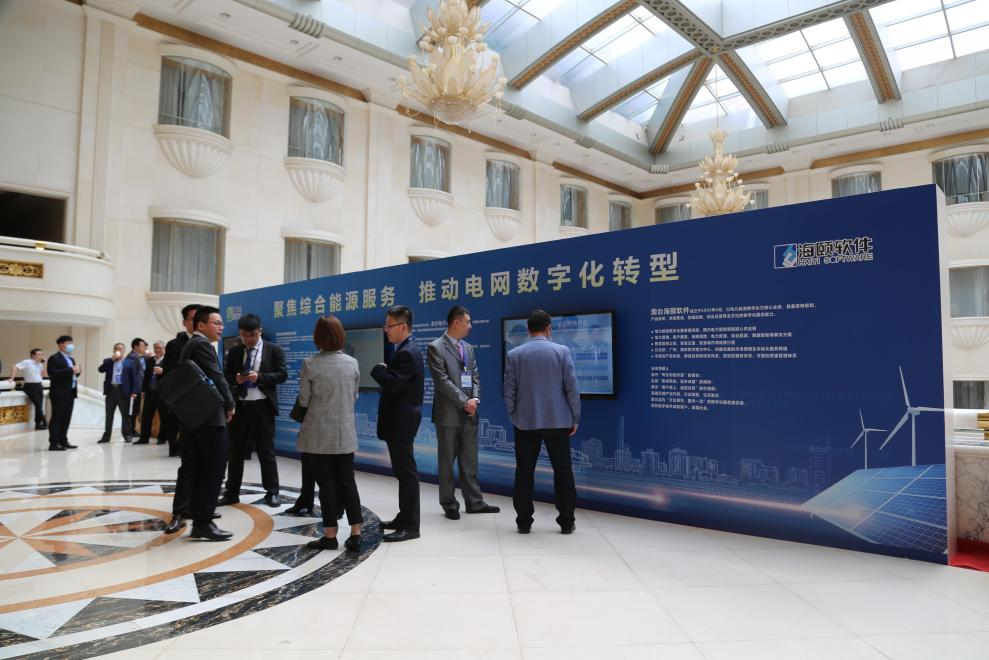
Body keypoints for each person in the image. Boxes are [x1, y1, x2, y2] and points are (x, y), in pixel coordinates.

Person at [503, 309, 581, 535]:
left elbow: (509, 391)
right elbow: (572, 388)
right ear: (549, 329)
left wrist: (514, 416)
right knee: (563, 472)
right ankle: (566, 522)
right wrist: (575, 417)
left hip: (525, 422)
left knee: (524, 472)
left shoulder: (514, 354)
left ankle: (524, 522)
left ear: (528, 329)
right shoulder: (562, 351)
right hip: (558, 421)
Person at [296, 316, 364, 551]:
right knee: (348, 482)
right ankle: (356, 534)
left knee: (326, 485)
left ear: (317, 337)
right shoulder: (352, 363)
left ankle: (330, 535)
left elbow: (304, 400)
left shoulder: (310, 364)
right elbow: (354, 396)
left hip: (318, 434)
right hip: (344, 432)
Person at [426, 305, 499, 519]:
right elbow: (442, 381)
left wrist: (474, 399)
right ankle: (449, 504)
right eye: (467, 321)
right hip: (449, 414)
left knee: (469, 460)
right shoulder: (435, 347)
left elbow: (474, 375)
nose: (470, 326)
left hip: (470, 412)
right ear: (456, 322)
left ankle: (475, 502)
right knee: (447, 462)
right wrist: (464, 402)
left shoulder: (468, 348)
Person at [175, 306, 236, 541]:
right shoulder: (202, 345)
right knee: (215, 467)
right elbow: (216, 376)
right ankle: (204, 523)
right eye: (216, 323)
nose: (221, 327)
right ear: (201, 325)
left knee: (200, 467)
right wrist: (230, 403)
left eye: (222, 323)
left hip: (195, 416)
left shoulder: (192, 344)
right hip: (208, 417)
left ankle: (200, 516)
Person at [219, 314, 287, 508]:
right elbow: (226, 377)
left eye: (252, 335)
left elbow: (282, 375)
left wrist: (260, 377)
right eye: (244, 335)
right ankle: (232, 493)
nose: (248, 339)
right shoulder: (235, 351)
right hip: (240, 407)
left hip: (262, 407)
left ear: (260, 331)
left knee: (266, 452)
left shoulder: (274, 350)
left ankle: (272, 492)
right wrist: (236, 379)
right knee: (235, 453)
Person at [371, 304, 424, 543]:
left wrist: (378, 370)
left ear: (403, 326)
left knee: (407, 474)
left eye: (389, 325)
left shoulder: (407, 352)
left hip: (402, 423)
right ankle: (404, 518)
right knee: (403, 474)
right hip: (400, 422)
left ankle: (411, 526)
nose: (386, 330)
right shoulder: (404, 349)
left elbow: (393, 384)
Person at [160, 304, 201, 457]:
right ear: (184, 322)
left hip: (202, 397)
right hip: (182, 396)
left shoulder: (207, 343)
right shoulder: (174, 344)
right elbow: (171, 372)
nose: (197, 322)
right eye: (193, 319)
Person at [46, 335, 80, 451]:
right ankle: (54, 443)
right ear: (61, 345)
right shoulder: (54, 358)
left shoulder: (71, 359)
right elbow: (52, 373)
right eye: (68, 343)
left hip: (70, 392)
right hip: (59, 393)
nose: (71, 345)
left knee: (66, 418)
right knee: (57, 418)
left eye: (71, 343)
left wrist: (77, 372)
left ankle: (63, 440)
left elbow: (71, 375)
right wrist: (70, 370)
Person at [98, 343, 131, 443]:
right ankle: (106, 436)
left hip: (123, 390)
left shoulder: (129, 362)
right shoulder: (108, 361)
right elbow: (100, 370)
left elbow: (133, 377)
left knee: (125, 414)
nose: (119, 351)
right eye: (117, 349)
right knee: (109, 414)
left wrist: (134, 391)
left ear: (124, 351)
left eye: (121, 349)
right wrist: (111, 360)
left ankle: (127, 435)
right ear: (114, 350)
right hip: (111, 390)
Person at [136, 340, 165, 445]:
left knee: (164, 417)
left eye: (159, 348)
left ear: (164, 349)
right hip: (150, 392)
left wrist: (163, 371)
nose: (157, 350)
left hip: (162, 393)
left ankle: (162, 438)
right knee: (146, 416)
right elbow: (146, 376)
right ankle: (144, 438)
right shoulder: (151, 360)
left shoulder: (168, 360)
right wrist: (143, 390)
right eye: (156, 348)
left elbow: (172, 374)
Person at [10, 348, 47, 430]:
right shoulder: (27, 362)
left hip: (39, 386)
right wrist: (12, 378)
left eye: (42, 354)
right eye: (39, 354)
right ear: (33, 355)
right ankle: (45, 423)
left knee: (39, 406)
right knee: (38, 405)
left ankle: (38, 425)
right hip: (30, 387)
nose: (41, 356)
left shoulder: (40, 364)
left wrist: (44, 364)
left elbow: (44, 375)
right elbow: (15, 367)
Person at [123, 338, 147, 442]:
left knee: (134, 411)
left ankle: (132, 430)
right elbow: (136, 376)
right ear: (136, 347)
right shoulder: (133, 357)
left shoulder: (135, 356)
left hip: (135, 388)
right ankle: (131, 431)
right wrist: (139, 389)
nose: (144, 348)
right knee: (133, 411)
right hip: (135, 389)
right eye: (142, 346)